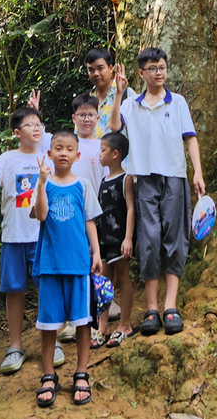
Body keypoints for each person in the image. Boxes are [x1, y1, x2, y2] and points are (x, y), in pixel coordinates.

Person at [109, 47, 205, 337]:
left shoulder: (177, 103)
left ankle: (170, 304)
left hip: (174, 176)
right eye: (152, 68)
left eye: (162, 67)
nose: (159, 72)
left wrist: (197, 171)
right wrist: (118, 94)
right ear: (142, 73)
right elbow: (114, 127)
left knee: (175, 236)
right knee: (149, 240)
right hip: (144, 179)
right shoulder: (131, 105)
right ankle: (151, 307)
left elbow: (191, 139)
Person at [0, 104, 65, 373]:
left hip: (43, 236)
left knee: (46, 287)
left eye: (39, 123)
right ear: (17, 132)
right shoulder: (7, 159)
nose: (37, 127)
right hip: (13, 236)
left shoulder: (49, 158)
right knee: (14, 291)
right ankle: (15, 346)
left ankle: (53, 341)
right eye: (30, 124)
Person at [30, 131, 103, 407]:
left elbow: (89, 223)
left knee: (82, 322)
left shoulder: (83, 185)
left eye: (69, 149)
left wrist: (96, 253)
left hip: (78, 265)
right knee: (48, 325)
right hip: (50, 265)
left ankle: (81, 373)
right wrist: (41, 182)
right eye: (57, 148)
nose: (63, 153)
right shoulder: (45, 185)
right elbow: (40, 215)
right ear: (49, 153)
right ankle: (49, 375)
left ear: (77, 155)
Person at [92, 131, 135, 348]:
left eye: (103, 150)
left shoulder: (126, 179)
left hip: (120, 239)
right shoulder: (102, 180)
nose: (99, 154)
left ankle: (125, 324)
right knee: (103, 282)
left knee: (123, 277)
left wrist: (128, 238)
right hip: (104, 240)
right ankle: (103, 327)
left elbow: (130, 208)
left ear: (115, 154)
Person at [84, 48, 135, 138]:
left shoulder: (127, 94)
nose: (95, 73)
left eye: (100, 68)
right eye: (91, 70)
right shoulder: (86, 98)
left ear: (111, 68)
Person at [72, 94, 107, 192]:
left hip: (95, 202)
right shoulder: (68, 145)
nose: (86, 119)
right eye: (82, 115)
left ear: (97, 118)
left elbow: (106, 178)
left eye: (91, 115)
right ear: (74, 118)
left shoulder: (103, 147)